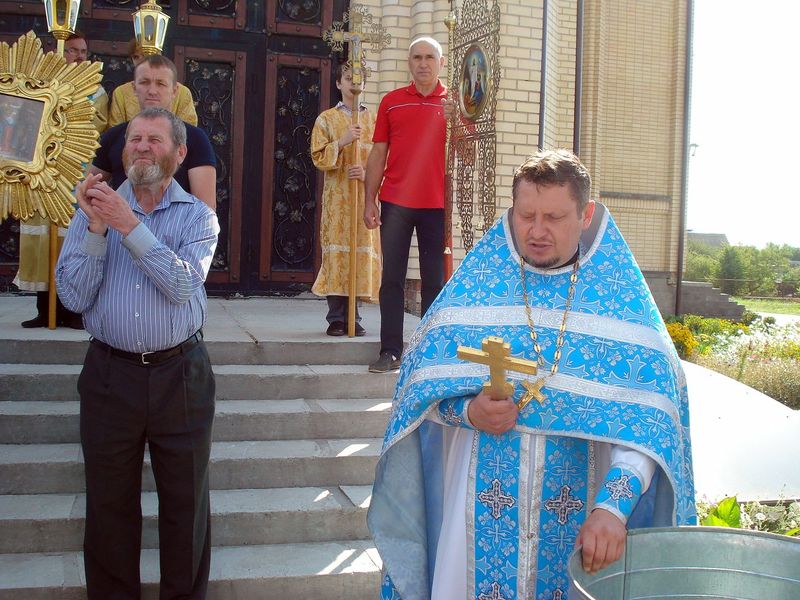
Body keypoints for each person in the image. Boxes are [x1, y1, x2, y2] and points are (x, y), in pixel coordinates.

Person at [368, 150, 696, 599]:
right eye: (526, 216)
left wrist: (613, 507)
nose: (537, 231)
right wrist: (468, 412)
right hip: (474, 519)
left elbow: (650, 423)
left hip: (581, 519)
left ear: (586, 215)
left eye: (554, 218)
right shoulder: (476, 289)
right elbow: (417, 395)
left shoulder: (622, 305)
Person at [56, 107, 219, 599]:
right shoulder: (92, 210)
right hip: (110, 375)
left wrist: (129, 226)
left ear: (179, 153)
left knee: (186, 507)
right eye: (134, 139)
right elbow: (73, 297)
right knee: (108, 508)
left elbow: (182, 285)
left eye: (154, 139)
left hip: (181, 375)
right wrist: (97, 230)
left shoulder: (198, 217)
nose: (142, 147)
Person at [364, 36, 450, 372]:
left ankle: (427, 353)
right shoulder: (392, 102)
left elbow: (468, 157)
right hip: (395, 202)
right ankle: (390, 351)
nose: (423, 63)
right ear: (409, 63)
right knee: (392, 279)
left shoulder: (454, 105)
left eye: (429, 57)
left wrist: (460, 123)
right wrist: (369, 200)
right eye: (417, 57)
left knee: (434, 281)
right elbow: (378, 153)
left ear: (441, 63)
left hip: (436, 205)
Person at [15, 31, 107, 328]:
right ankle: (44, 310)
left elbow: (96, 129)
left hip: (75, 175)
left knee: (73, 242)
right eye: (73, 50)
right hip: (42, 174)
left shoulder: (96, 90)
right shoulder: (39, 83)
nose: (79, 56)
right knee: (42, 241)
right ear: (57, 51)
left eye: (83, 51)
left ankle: (71, 311)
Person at [91, 54, 217, 211]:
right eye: (144, 82)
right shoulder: (113, 137)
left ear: (174, 90)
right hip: (118, 225)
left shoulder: (195, 139)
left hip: (175, 226)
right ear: (134, 88)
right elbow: (90, 190)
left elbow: (205, 208)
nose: (152, 91)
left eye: (161, 84)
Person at [310, 63, 381, 336]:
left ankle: (354, 316)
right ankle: (336, 318)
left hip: (364, 196)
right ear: (339, 83)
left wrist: (366, 173)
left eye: (359, 78)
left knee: (359, 253)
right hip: (338, 198)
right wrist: (342, 141)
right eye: (348, 78)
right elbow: (318, 157)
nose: (354, 83)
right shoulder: (326, 119)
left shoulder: (374, 120)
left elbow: (384, 158)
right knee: (338, 253)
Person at [108, 38, 198, 128]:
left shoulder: (182, 92)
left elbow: (188, 129)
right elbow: (116, 130)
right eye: (136, 57)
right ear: (134, 88)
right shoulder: (121, 92)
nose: (141, 60)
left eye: (161, 84)